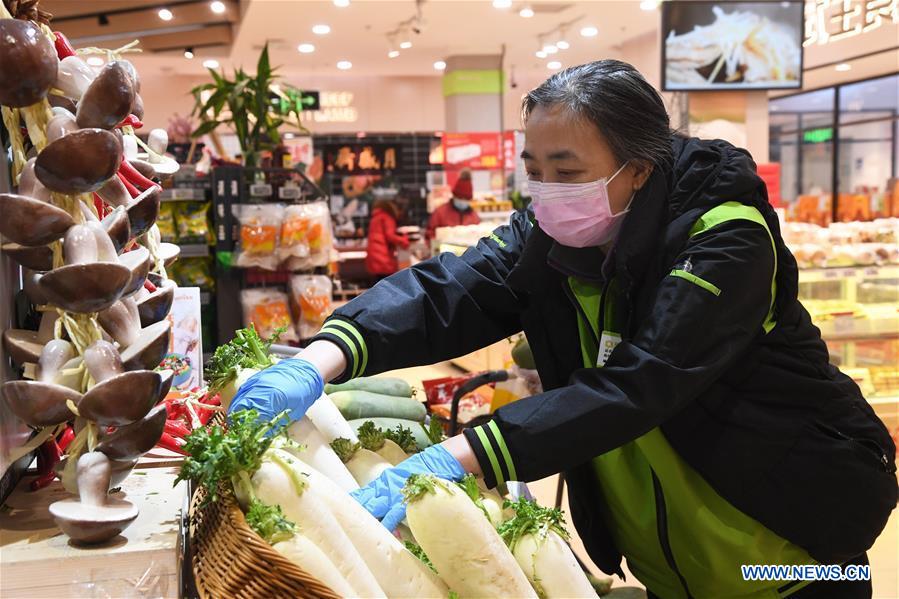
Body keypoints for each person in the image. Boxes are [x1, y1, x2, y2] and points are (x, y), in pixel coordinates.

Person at [229, 61, 896, 598]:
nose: (546, 191)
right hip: (676, 563)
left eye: (568, 171)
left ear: (637, 167)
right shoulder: (552, 232)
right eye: (535, 170)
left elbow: (643, 382)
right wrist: (318, 358)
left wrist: (461, 456)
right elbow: (449, 291)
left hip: (787, 552)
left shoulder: (724, 239)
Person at [425, 169, 481, 241]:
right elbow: (429, 234)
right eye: (460, 197)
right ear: (454, 196)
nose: (462, 201)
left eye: (466, 199)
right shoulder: (440, 213)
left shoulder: (474, 217)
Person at [364, 198, 409, 280]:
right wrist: (404, 240)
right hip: (383, 258)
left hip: (374, 257)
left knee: (378, 284)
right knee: (388, 285)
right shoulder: (387, 218)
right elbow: (390, 236)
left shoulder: (375, 218)